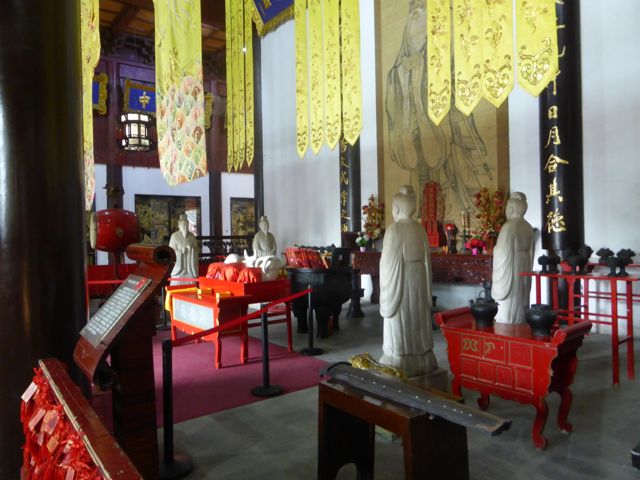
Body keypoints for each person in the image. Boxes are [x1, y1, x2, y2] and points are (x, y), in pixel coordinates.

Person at [385, 0, 491, 221]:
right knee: (421, 188)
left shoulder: (442, 64)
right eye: (415, 17)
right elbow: (393, 114)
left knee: (450, 182)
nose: (420, 34)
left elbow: (458, 99)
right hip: (415, 143)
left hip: (442, 139)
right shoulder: (397, 73)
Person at [379, 185, 438, 377]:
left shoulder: (394, 230)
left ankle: (399, 356)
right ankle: (423, 355)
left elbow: (388, 263)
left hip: (401, 280)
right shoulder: (420, 230)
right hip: (418, 278)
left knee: (403, 317)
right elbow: (427, 261)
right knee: (417, 316)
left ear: (396, 208)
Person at [491, 192, 535, 324]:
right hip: (525, 262)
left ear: (511, 209)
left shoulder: (509, 227)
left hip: (512, 264)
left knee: (511, 299)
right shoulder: (528, 227)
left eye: (507, 208)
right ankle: (520, 319)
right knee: (521, 294)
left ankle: (508, 321)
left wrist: (495, 248)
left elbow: (502, 251)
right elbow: (531, 251)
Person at [169, 213, 199, 285]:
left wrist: (192, 249)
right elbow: (170, 252)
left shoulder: (192, 236)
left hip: (189, 269)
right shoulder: (174, 236)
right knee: (177, 286)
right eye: (183, 225)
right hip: (179, 270)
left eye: (186, 225)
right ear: (179, 225)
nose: (185, 227)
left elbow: (197, 250)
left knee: (192, 285)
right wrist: (181, 251)